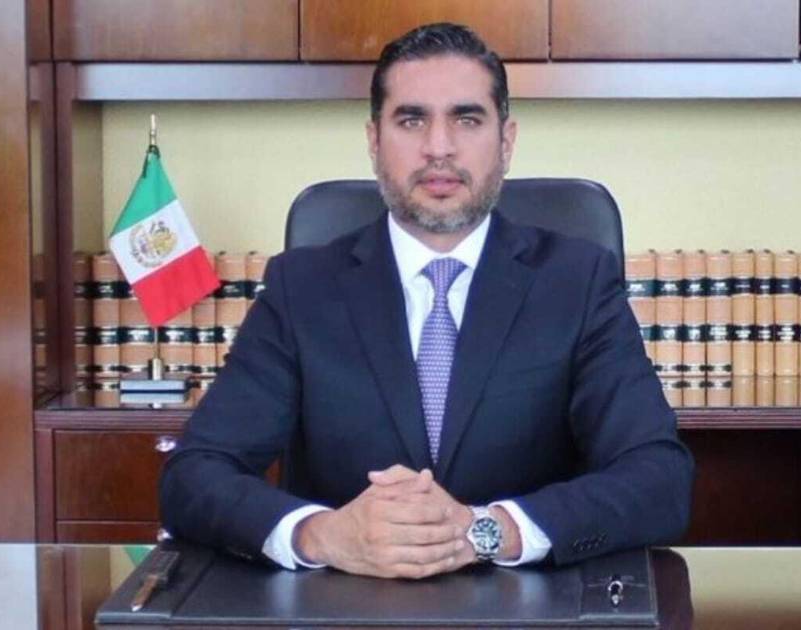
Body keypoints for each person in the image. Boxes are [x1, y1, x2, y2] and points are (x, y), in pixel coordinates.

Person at [160, 22, 693, 580]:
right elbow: (193, 475)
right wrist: (321, 535)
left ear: (506, 142)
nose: (439, 148)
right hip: (345, 602)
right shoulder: (303, 287)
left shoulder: (577, 281)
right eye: (412, 120)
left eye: (467, 119)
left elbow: (660, 479)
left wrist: (488, 531)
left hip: (530, 604)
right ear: (374, 141)